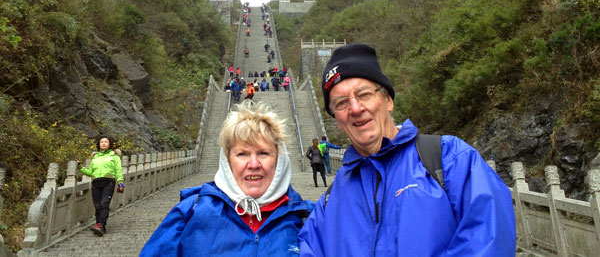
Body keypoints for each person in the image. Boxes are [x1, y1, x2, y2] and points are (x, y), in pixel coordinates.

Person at [299, 43, 516, 256]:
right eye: (341, 103)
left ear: (388, 100)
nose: (355, 108)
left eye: (364, 94)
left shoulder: (449, 158)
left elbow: (489, 239)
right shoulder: (332, 199)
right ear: (337, 119)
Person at [140, 101, 314, 256]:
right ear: (227, 161)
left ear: (279, 159)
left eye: (263, 153)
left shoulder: (309, 218)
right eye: (242, 154)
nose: (253, 164)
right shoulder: (190, 212)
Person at [79, 135, 124, 237]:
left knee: (104, 203)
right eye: (101, 142)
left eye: (106, 142)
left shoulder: (114, 157)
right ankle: (98, 224)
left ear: (110, 144)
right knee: (97, 205)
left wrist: (120, 182)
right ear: (98, 145)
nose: (103, 143)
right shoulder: (95, 157)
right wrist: (80, 167)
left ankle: (101, 225)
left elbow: (118, 170)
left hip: (108, 182)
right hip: (96, 182)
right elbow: (90, 172)